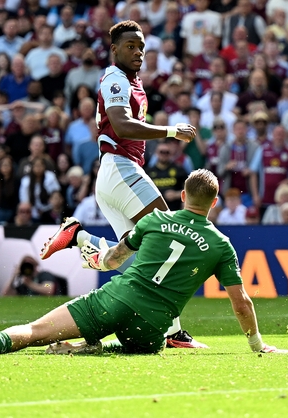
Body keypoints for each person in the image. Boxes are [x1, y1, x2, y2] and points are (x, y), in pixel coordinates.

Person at [0, 169, 288, 357]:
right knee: (142, 345)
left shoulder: (153, 220)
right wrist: (258, 345)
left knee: (36, 331)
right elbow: (241, 302)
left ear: (181, 196)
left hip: (115, 299)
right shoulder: (221, 245)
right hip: (153, 329)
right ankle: (94, 345)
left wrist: (90, 253)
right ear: (214, 203)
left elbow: (114, 258)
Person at [37, 21, 202, 349]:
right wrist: (170, 131)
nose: (137, 52)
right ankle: (173, 333)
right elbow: (123, 125)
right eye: (130, 46)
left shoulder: (133, 82)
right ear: (114, 49)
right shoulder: (114, 77)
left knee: (121, 256)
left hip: (116, 175)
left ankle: (78, 237)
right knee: (169, 234)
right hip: (120, 168)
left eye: (141, 46)